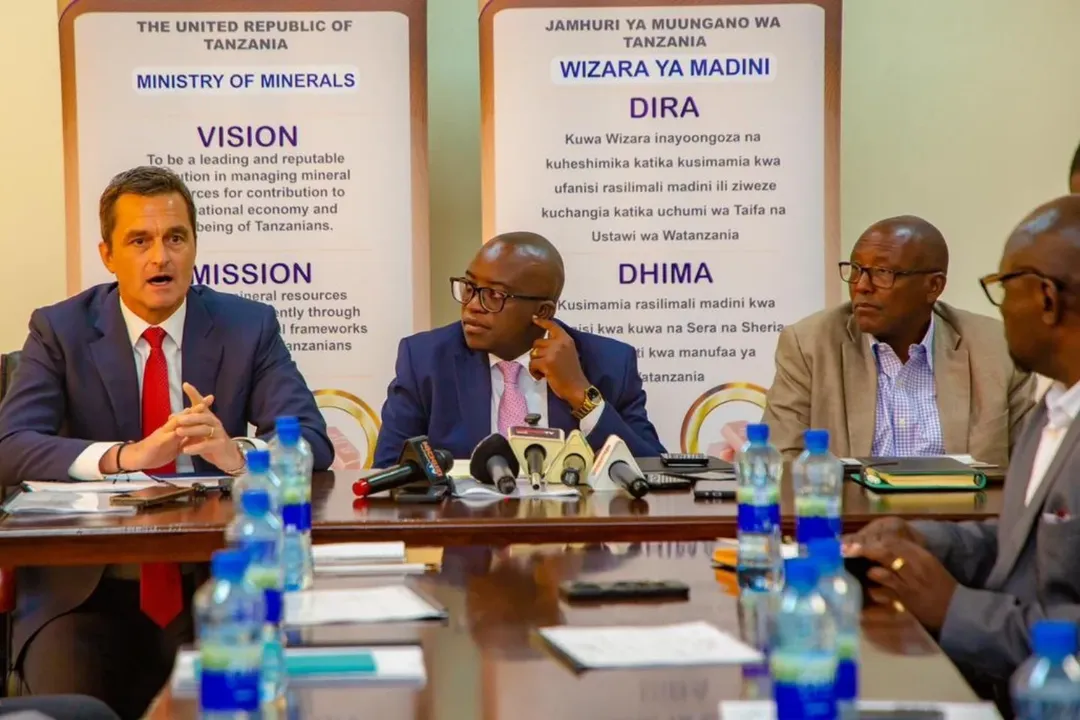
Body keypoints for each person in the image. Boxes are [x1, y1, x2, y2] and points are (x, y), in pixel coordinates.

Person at [0, 166, 333, 718]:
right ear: (108, 254)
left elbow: (311, 439)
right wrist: (124, 457)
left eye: (176, 238)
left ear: (194, 246)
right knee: (74, 706)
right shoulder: (60, 330)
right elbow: (10, 444)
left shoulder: (247, 327)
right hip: (86, 592)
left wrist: (239, 456)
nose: (161, 257)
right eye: (140, 241)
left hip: (212, 582)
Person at [844, 195, 1080, 710]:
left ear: (1046, 298)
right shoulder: (1054, 411)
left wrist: (954, 609)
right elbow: (1024, 545)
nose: (1000, 309)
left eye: (1003, 287)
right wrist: (925, 540)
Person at [761, 215, 1034, 466]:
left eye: (883, 273)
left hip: (967, 505)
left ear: (934, 286)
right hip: (850, 504)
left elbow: (1033, 464)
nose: (861, 286)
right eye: (855, 270)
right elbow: (780, 460)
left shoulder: (996, 348)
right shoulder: (809, 345)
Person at [373, 231, 665, 466]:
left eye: (494, 294)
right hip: (465, 521)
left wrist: (580, 394)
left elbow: (652, 468)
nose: (472, 306)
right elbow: (388, 472)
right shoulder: (425, 360)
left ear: (543, 312)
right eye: (469, 287)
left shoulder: (609, 363)